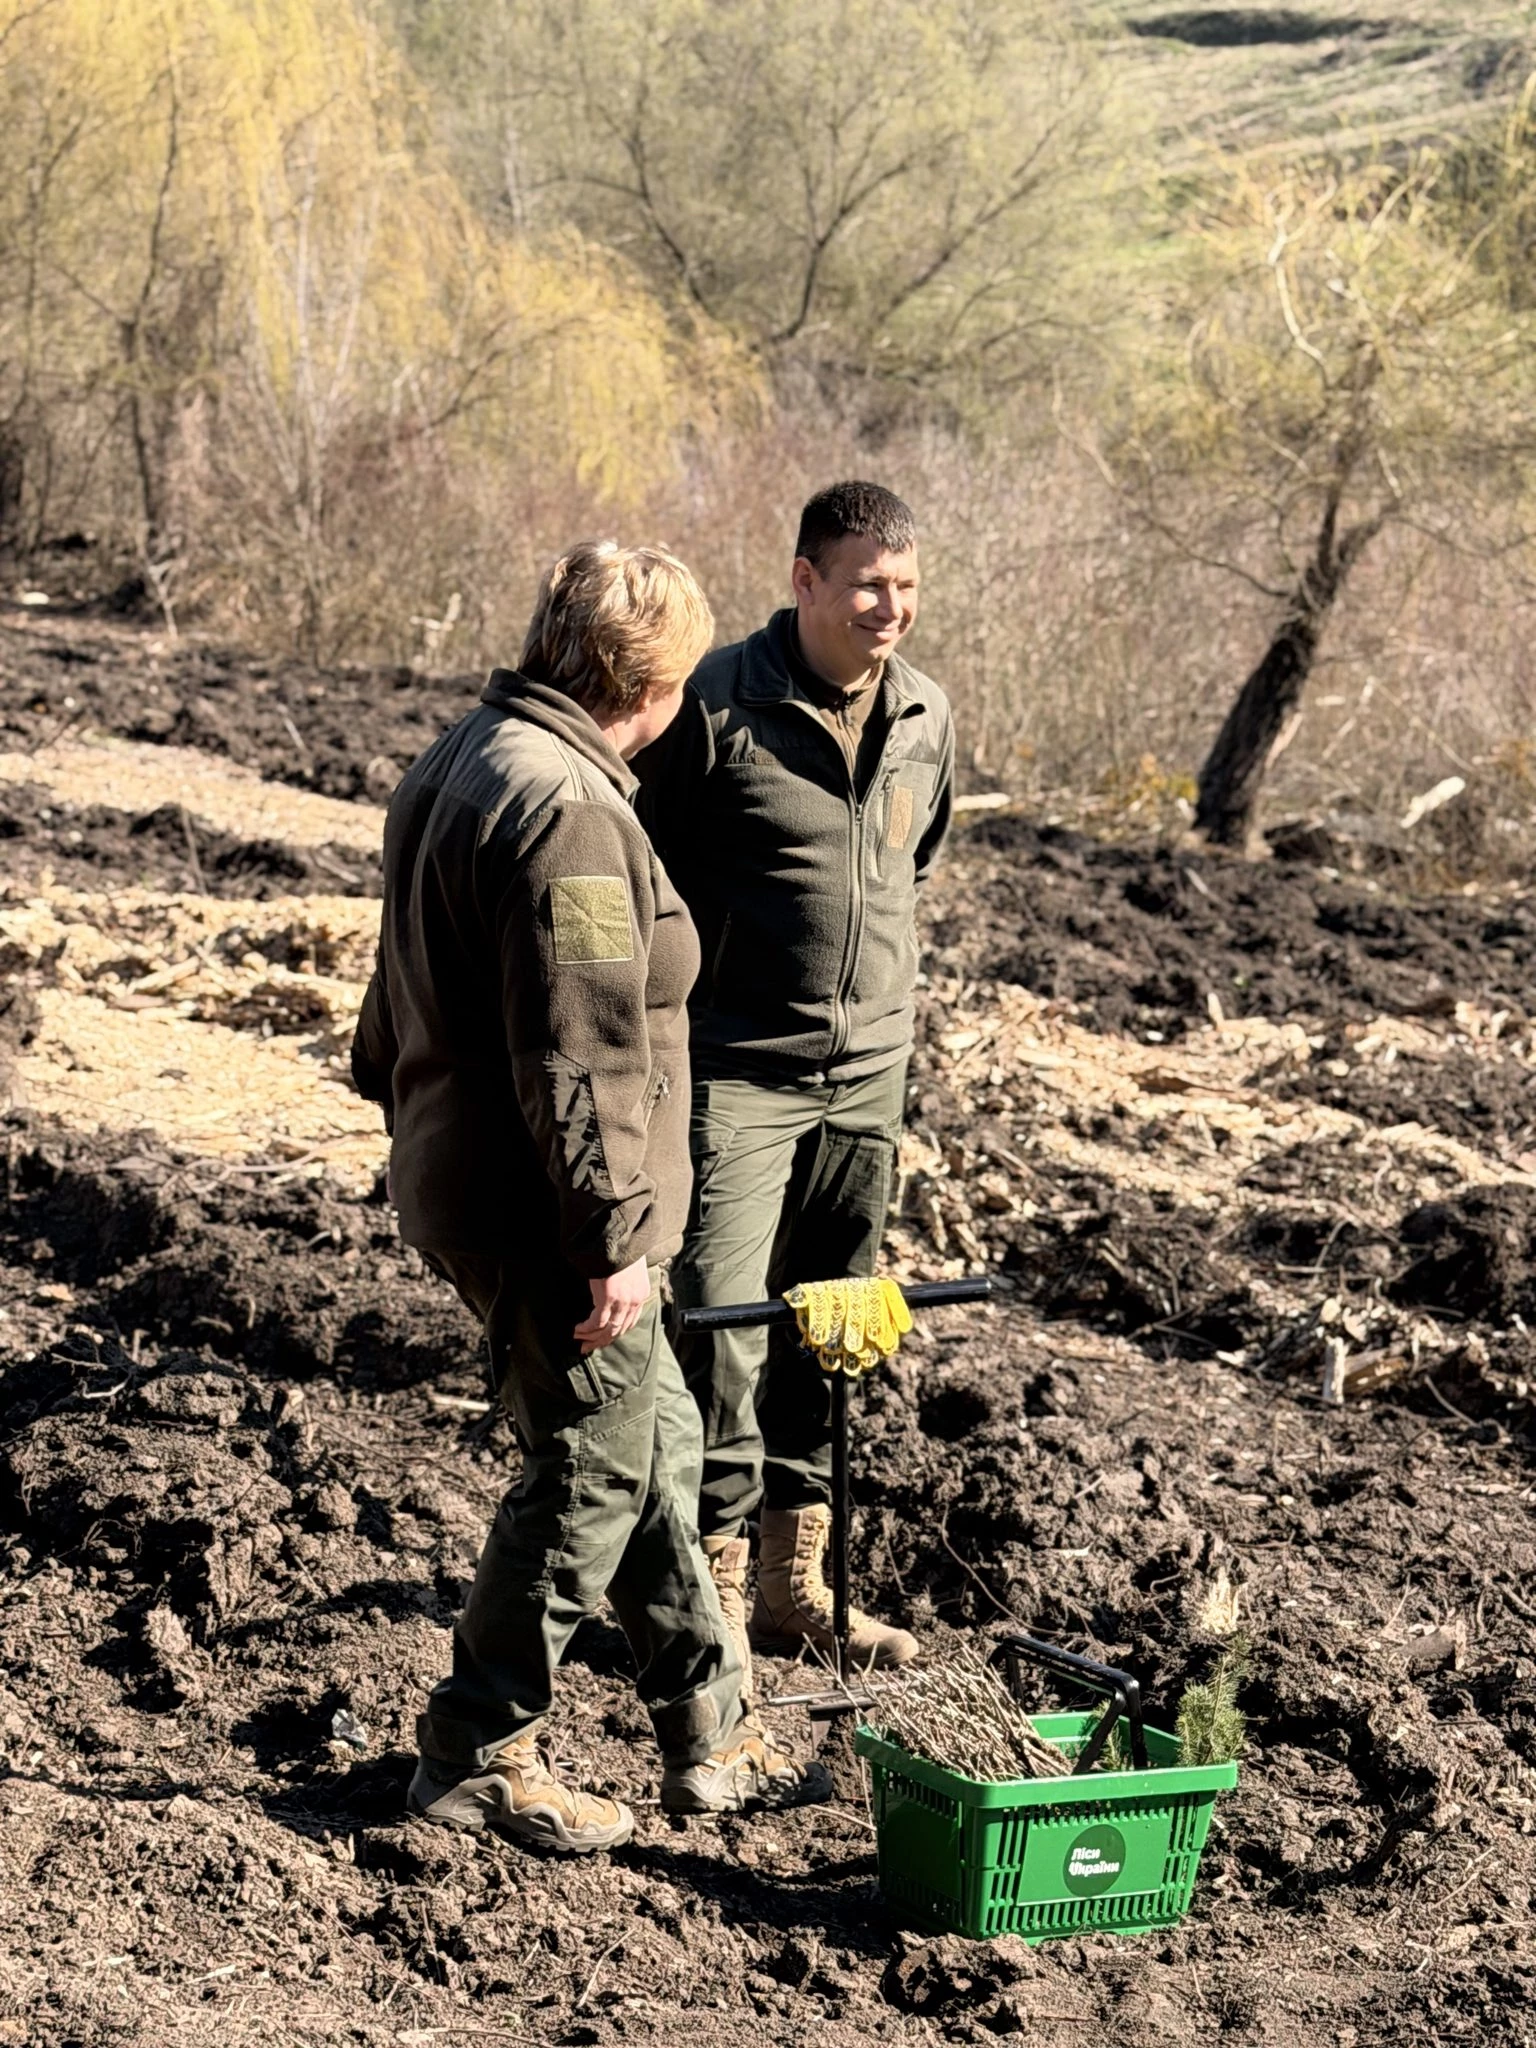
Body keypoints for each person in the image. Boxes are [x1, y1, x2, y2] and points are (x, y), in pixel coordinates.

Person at [352, 541, 827, 1852]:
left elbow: (393, 990)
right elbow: (588, 1045)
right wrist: (617, 1240)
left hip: (477, 1171)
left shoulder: (466, 754)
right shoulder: (567, 811)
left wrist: (400, 1100)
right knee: (591, 1474)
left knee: (658, 1442)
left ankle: (709, 1734)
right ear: (658, 682)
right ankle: (475, 1752)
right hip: (549, 1207)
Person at [636, 482, 954, 1695]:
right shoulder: (715, 704)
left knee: (832, 1324)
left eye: (910, 587)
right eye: (868, 584)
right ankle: (707, 1588)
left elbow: (914, 865)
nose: (892, 609)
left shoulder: (926, 712)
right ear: (806, 580)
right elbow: (642, 876)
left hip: (868, 1080)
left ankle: (794, 1583)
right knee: (718, 1324)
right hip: (739, 1077)